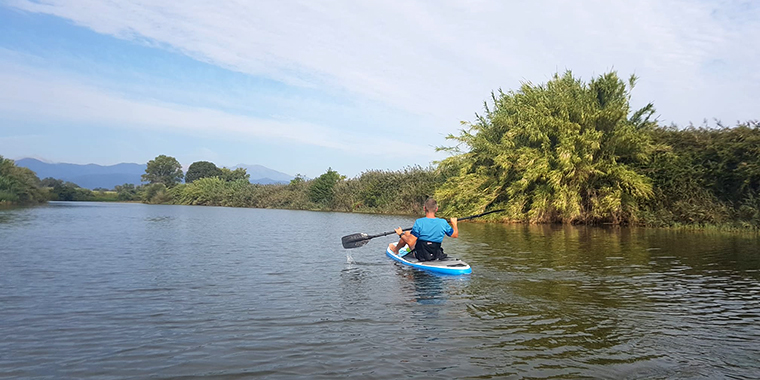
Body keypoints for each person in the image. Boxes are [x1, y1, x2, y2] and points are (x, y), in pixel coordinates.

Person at [389, 198, 458, 261]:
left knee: (406, 235)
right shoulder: (443, 222)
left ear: (424, 208)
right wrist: (454, 224)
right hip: (436, 254)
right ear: (436, 209)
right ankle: (396, 249)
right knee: (407, 233)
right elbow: (455, 235)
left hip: (421, 255)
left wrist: (400, 234)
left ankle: (396, 249)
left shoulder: (419, 222)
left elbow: (410, 242)